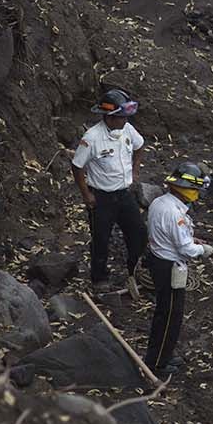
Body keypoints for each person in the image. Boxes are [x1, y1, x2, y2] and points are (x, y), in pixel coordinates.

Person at [143, 162, 213, 376]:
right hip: (169, 267)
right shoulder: (177, 214)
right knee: (170, 317)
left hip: (159, 259)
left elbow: (169, 234)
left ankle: (161, 354)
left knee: (163, 313)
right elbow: (185, 248)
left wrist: (191, 238)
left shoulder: (159, 202)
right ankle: (157, 363)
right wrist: (203, 249)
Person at [72, 89, 147, 293]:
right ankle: (99, 279)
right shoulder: (92, 138)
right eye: (121, 117)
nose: (124, 121)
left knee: (138, 232)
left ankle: (135, 270)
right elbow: (77, 166)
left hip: (124, 194)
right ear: (109, 117)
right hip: (102, 197)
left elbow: (140, 146)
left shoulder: (128, 130)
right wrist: (86, 194)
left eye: (125, 117)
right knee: (101, 239)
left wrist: (135, 169)